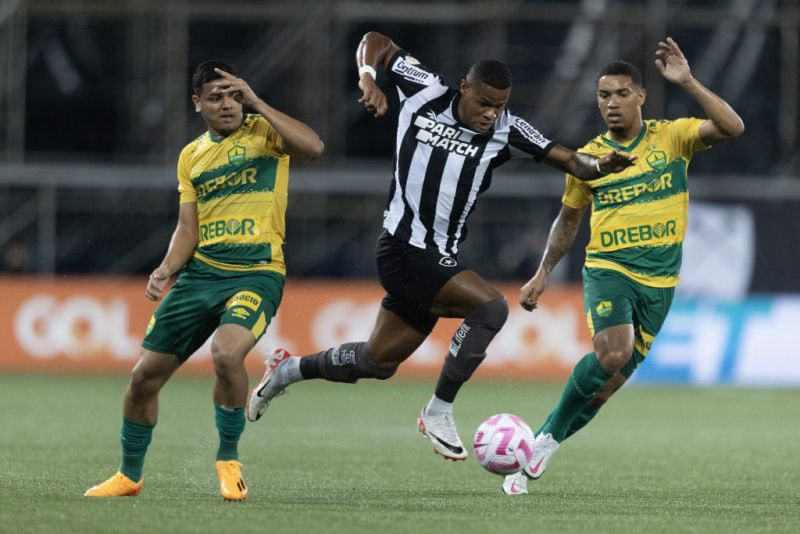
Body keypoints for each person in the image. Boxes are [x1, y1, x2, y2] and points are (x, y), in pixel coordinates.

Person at [246, 31, 635, 462]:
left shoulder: (508, 129)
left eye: (499, 106)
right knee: (491, 308)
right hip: (402, 248)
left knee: (377, 362)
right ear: (464, 88)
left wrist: (601, 165)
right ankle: (438, 410)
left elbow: (570, 160)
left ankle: (287, 370)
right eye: (484, 103)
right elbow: (375, 40)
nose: (491, 114)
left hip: (438, 255)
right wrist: (368, 78)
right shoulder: (424, 89)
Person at [502, 38, 744, 495]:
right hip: (608, 268)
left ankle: (545, 445)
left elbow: (732, 127)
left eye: (620, 93)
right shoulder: (587, 159)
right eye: (603, 95)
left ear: (640, 96)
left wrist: (688, 81)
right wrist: (542, 272)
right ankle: (541, 441)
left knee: (607, 385)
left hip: (661, 281)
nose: (610, 103)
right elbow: (569, 219)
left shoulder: (672, 137)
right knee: (612, 353)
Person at [85, 60, 324, 500]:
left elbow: (313, 147)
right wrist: (166, 268)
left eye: (234, 95)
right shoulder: (191, 156)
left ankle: (228, 461)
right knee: (142, 379)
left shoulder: (266, 132)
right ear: (197, 104)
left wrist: (258, 101)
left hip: (257, 272)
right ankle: (129, 475)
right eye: (216, 97)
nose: (228, 105)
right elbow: (187, 228)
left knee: (227, 353)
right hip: (200, 277)